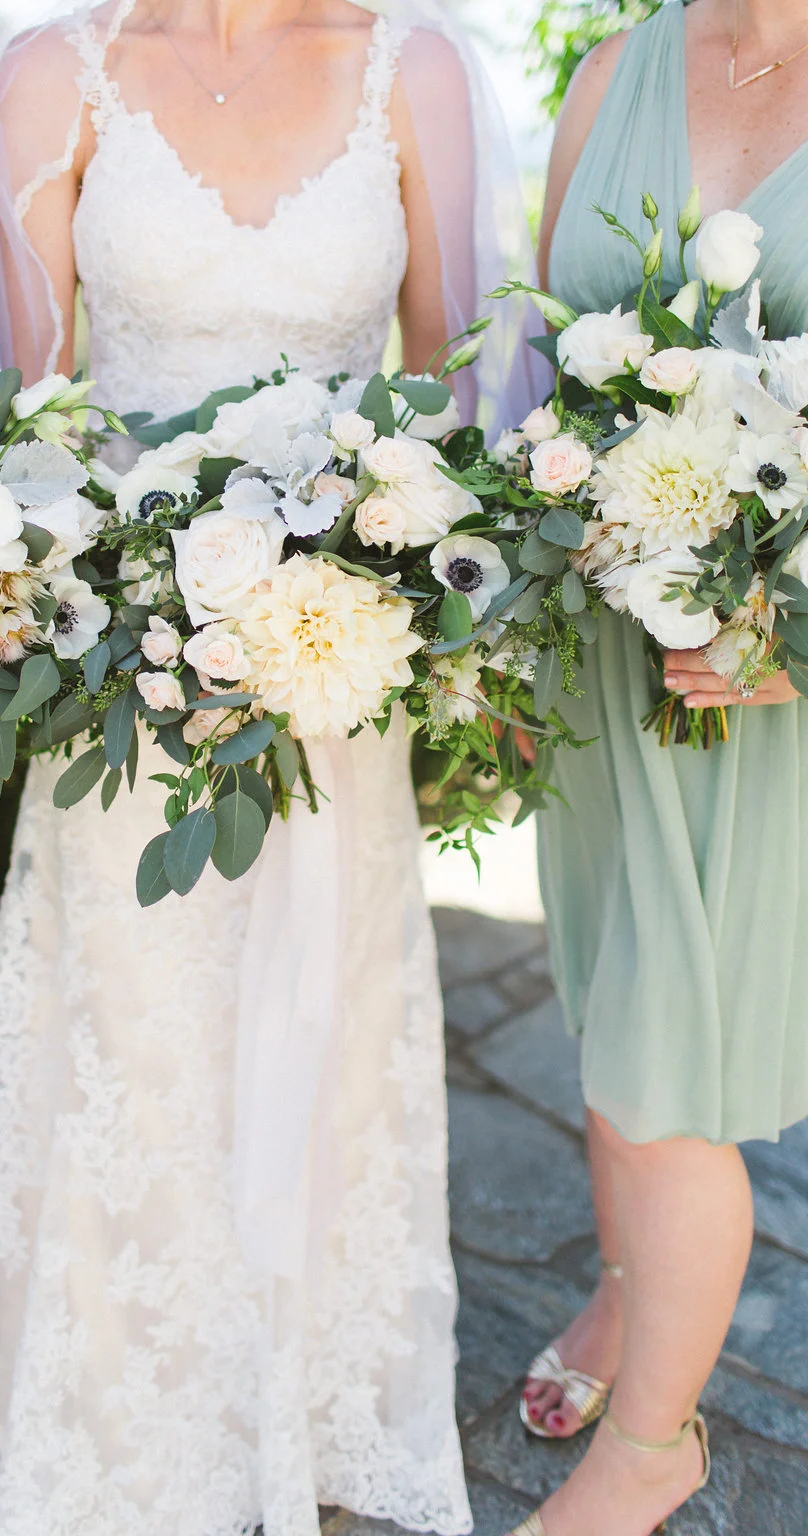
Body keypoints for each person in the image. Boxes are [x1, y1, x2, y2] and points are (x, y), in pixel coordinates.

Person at [0, 3, 536, 1534]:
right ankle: (129, 1399)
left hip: (339, 652)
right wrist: (137, 595)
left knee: (324, 1012)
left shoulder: (424, 69)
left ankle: (312, 1387)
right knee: (133, 1015)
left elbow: (459, 380)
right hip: (122, 660)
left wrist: (352, 569)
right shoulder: (51, 78)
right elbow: (19, 413)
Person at [511, 0, 808, 1532]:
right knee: (612, 1008)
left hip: (771, 692)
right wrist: (489, 610)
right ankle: (634, 1297)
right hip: (601, 650)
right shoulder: (622, 66)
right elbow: (543, 369)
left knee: (672, 1079)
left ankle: (653, 1451)